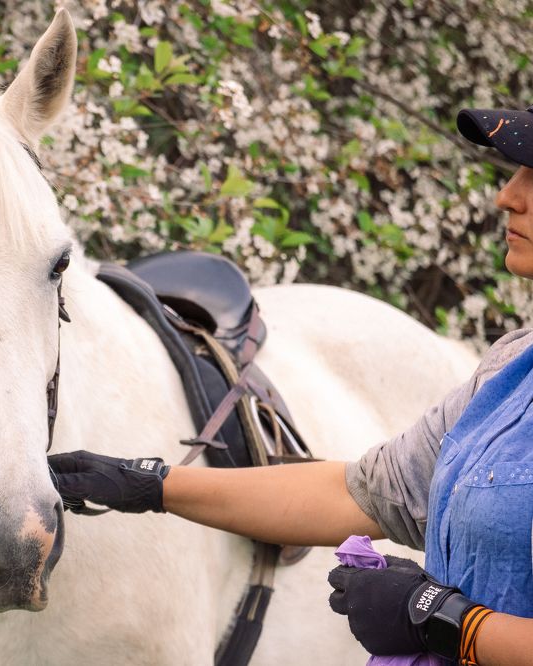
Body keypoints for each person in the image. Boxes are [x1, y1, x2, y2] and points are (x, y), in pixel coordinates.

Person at [48, 105, 533, 666]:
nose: (507, 196)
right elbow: (360, 492)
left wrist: (447, 621)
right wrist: (153, 486)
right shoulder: (509, 369)